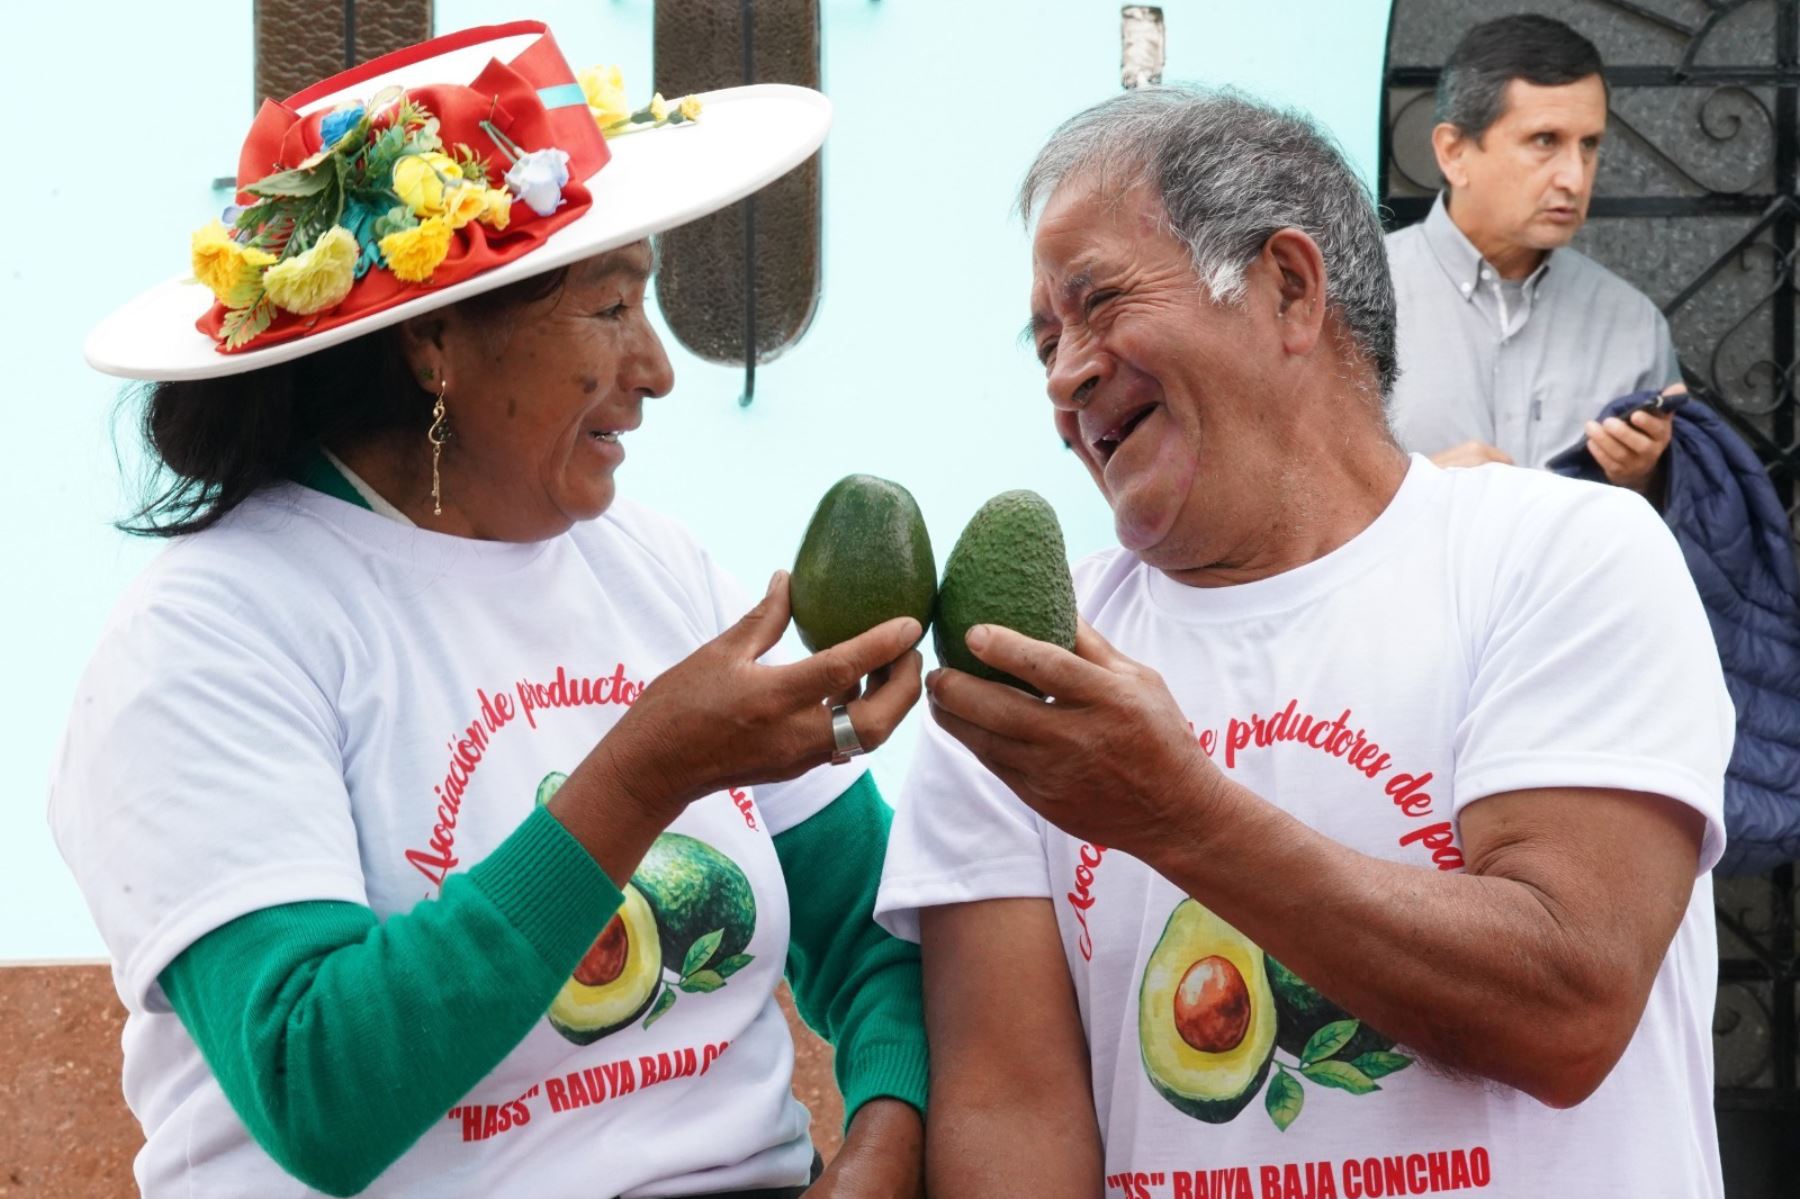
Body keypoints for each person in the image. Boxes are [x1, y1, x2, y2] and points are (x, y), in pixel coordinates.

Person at [53, 22, 925, 1199]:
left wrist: (880, 1151)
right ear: (433, 344)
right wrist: (647, 771)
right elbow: (318, 1087)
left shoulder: (656, 569)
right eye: (611, 309)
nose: (658, 369)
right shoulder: (210, 637)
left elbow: (881, 931)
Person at [875, 86, 1733, 1196]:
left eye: (1100, 305)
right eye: (1047, 341)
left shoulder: (1561, 556)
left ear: (1288, 287)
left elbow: (1567, 1007)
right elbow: (1011, 1107)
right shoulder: (1031, 660)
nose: (1064, 375)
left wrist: (1179, 816)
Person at [1385, 14, 1682, 492]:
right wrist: (1412, 492)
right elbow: (1285, 495)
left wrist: (1645, 477)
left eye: (1589, 145)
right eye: (1545, 141)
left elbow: (1672, 525)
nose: (1575, 178)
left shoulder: (1633, 326)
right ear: (1453, 153)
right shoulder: (1349, 304)